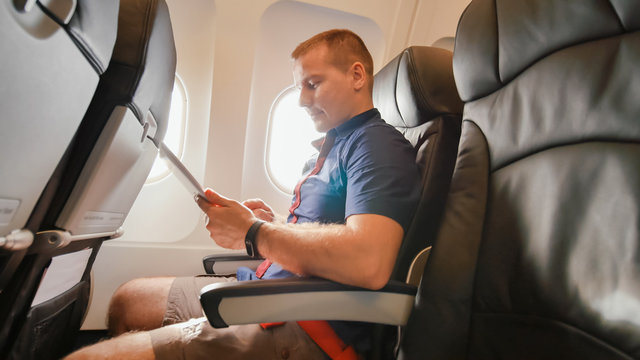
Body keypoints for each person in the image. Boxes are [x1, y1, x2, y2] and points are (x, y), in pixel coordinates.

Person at [66, 29, 420, 360]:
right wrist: (272, 223)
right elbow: (332, 227)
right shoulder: (334, 144)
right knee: (128, 300)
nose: (301, 100)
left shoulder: (376, 145)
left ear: (357, 76)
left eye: (313, 84)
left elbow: (368, 262)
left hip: (309, 320)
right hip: (268, 286)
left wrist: (253, 233)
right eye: (299, 87)